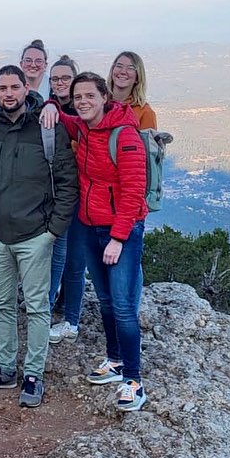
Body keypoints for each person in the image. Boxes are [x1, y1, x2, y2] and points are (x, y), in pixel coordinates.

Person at [0, 66, 77, 407]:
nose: (8, 93)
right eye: (2, 88)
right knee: (1, 302)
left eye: (14, 87)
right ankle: (5, 369)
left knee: (37, 306)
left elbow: (67, 182)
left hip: (35, 235)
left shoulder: (47, 127)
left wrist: (53, 231)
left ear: (26, 88)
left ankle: (33, 374)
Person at [46, 71, 150, 411]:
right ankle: (115, 360)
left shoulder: (125, 134)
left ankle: (133, 380)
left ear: (105, 97)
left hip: (121, 232)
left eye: (89, 96)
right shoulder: (84, 128)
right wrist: (50, 103)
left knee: (123, 305)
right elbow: (62, 117)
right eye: (78, 97)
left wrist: (118, 238)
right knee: (105, 301)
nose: (83, 102)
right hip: (91, 227)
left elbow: (134, 191)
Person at [46, 55, 83, 345]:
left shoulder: (83, 109)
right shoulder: (50, 108)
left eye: (65, 78)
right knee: (55, 253)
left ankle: (70, 318)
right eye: (55, 79)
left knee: (73, 259)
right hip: (55, 191)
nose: (60, 83)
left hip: (81, 193)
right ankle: (47, 308)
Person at [108, 51, 157, 130]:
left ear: (137, 77)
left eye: (130, 68)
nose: (123, 72)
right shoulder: (98, 104)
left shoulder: (145, 112)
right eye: (119, 66)